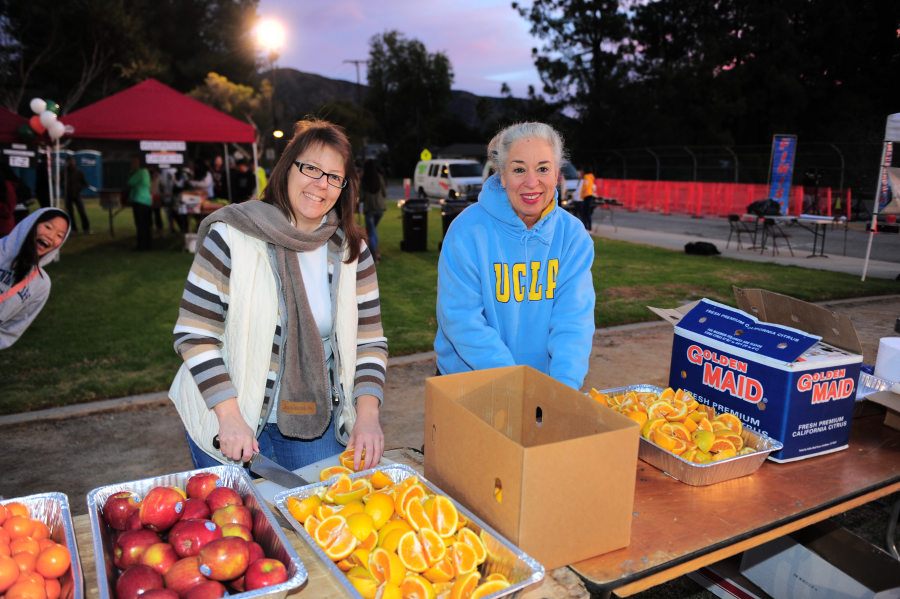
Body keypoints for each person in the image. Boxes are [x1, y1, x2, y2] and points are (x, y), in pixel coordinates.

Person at [169, 119, 388, 472]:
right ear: (288, 168)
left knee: (312, 519)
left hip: (312, 421)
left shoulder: (352, 251)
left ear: (344, 187)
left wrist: (367, 415)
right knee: (238, 526)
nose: (321, 184)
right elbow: (195, 333)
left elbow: (370, 342)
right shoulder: (231, 235)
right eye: (312, 168)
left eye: (335, 176)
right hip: (228, 416)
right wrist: (228, 415)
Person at [434, 122, 595, 390]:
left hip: (544, 386)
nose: (532, 182)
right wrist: (516, 386)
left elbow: (573, 322)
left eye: (543, 168)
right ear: (502, 176)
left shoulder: (572, 235)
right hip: (471, 382)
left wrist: (563, 389)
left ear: (557, 174)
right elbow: (462, 319)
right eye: (519, 169)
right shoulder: (467, 230)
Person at [0, 208, 70, 349]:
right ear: (31, 224)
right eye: (48, 227)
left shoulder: (41, 284)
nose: (51, 235)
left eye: (59, 235)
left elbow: (13, 327)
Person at [360, 159, 387, 263]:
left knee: (371, 232)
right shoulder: (379, 178)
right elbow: (384, 194)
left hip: (370, 209)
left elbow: (361, 197)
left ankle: (375, 257)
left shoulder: (364, 180)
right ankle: (378, 253)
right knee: (373, 231)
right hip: (380, 208)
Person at [127, 156, 153, 251]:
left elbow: (130, 182)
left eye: (134, 161)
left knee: (140, 224)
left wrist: (131, 171)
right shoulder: (145, 171)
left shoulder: (139, 172)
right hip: (146, 200)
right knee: (146, 224)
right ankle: (148, 244)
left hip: (139, 200)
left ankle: (142, 245)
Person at [63, 157, 91, 235]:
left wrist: (79, 189)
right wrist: (63, 187)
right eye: (70, 161)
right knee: (70, 213)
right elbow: (58, 181)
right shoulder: (64, 172)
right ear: (68, 162)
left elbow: (85, 183)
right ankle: (74, 229)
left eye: (73, 161)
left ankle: (86, 228)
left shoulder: (79, 172)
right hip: (68, 195)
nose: (72, 162)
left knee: (82, 211)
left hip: (77, 195)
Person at [580, 166, 596, 230]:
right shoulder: (591, 177)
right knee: (587, 212)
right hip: (589, 195)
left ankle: (587, 227)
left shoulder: (586, 177)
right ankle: (588, 227)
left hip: (587, 195)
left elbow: (586, 186)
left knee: (584, 213)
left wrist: (583, 193)